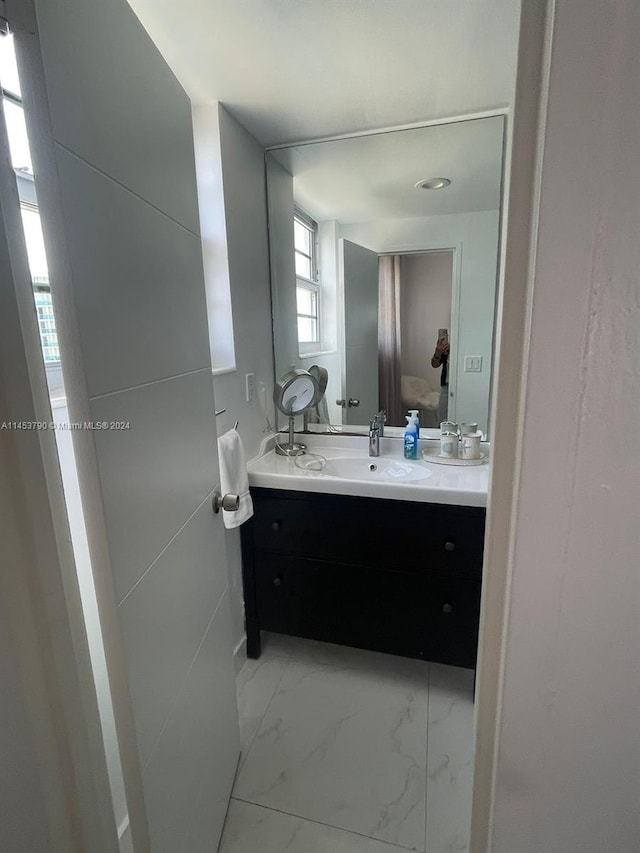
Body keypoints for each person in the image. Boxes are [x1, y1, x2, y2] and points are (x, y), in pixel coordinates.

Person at [431, 335, 450, 424]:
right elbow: (434, 364)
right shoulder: (446, 348)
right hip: (446, 385)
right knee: (442, 419)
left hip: (462, 384)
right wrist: (438, 352)